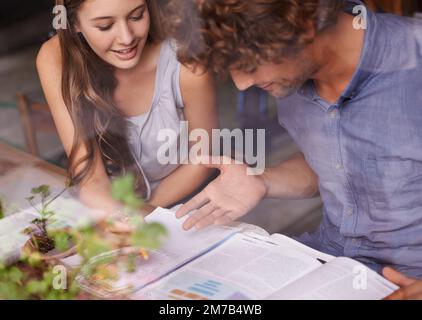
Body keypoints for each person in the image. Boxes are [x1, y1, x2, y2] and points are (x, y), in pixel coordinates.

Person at [164, 0, 422, 298]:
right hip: (329, 261)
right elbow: (339, 163)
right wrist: (262, 181)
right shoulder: (290, 75)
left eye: (248, 65)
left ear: (305, 24)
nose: (243, 84)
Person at [36, 0, 218, 217]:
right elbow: (91, 178)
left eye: (136, 16)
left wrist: (140, 215)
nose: (127, 38)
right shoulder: (56, 59)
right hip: (112, 212)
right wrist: (121, 221)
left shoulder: (187, 64)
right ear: (74, 22)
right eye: (105, 26)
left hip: (188, 207)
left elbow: (204, 159)